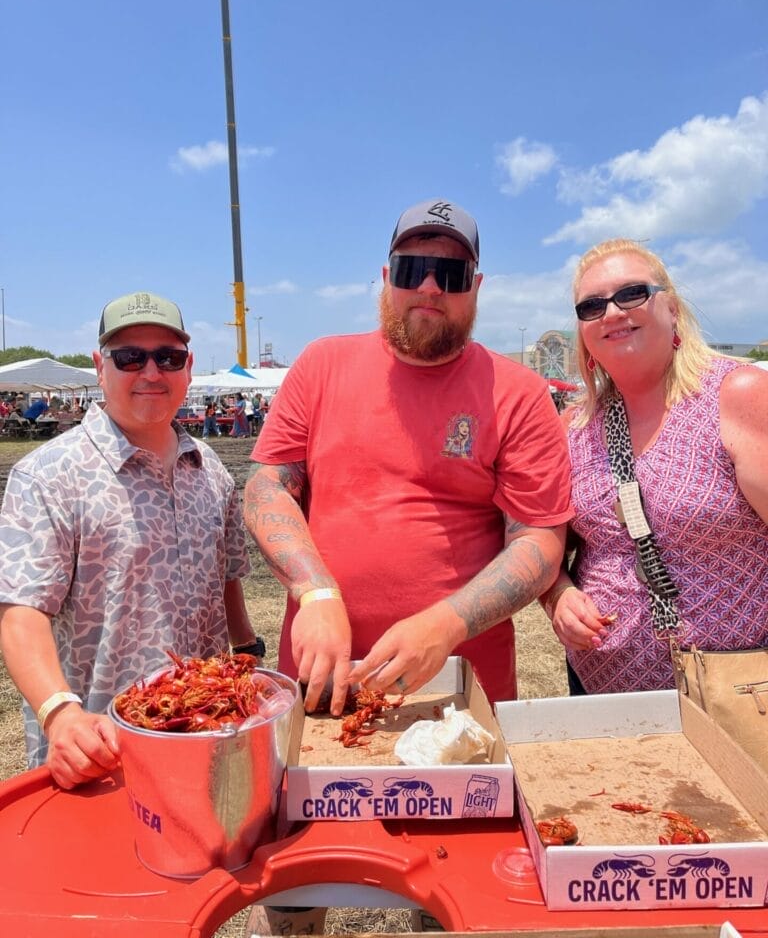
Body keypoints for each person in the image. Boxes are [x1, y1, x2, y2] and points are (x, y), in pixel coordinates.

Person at [243, 198, 571, 934]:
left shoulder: (516, 393)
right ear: (385, 278)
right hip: (323, 683)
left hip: (459, 697)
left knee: (453, 897)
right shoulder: (323, 363)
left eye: (448, 272)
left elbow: (540, 540)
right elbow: (268, 485)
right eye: (414, 268)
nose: (429, 287)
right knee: (298, 881)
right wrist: (315, 587)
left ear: (476, 288)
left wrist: (447, 623)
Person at [0, 290, 260, 790]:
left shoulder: (211, 474)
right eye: (129, 358)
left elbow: (227, 579)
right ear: (101, 367)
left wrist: (248, 649)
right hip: (99, 752)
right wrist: (60, 714)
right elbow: (21, 610)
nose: (151, 372)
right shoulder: (49, 476)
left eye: (168, 357)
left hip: (204, 735)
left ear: (188, 368)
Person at [541, 239, 768, 695]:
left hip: (733, 690)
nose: (612, 312)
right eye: (592, 305)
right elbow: (547, 545)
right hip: (602, 687)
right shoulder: (575, 426)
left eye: (631, 294)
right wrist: (559, 596)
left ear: (673, 308)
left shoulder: (737, 394)